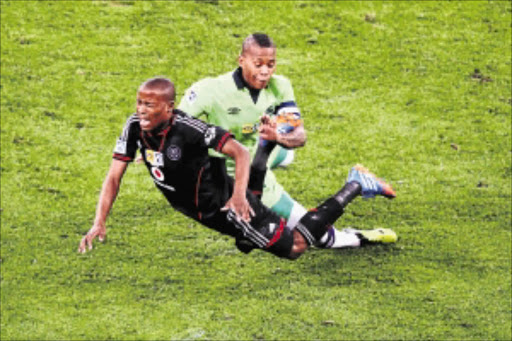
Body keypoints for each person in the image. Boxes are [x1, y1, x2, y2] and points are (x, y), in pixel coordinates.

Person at [78, 77, 397, 259]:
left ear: (168, 107)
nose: (141, 110)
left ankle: (355, 184)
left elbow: (238, 153)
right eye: (139, 102)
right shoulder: (134, 126)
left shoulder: (190, 130)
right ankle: (268, 144)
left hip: (223, 205)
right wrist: (99, 222)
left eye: (149, 104)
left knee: (296, 247)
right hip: (207, 205)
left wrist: (240, 197)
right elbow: (113, 176)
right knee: (248, 241)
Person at [177, 32, 396, 248]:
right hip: (233, 170)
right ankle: (280, 156)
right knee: (271, 155)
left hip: (258, 162)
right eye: (258, 64)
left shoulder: (279, 86)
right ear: (241, 60)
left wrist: (278, 137)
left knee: (316, 236)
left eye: (270, 65)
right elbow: (176, 123)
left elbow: (299, 136)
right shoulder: (211, 90)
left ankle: (357, 193)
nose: (265, 71)